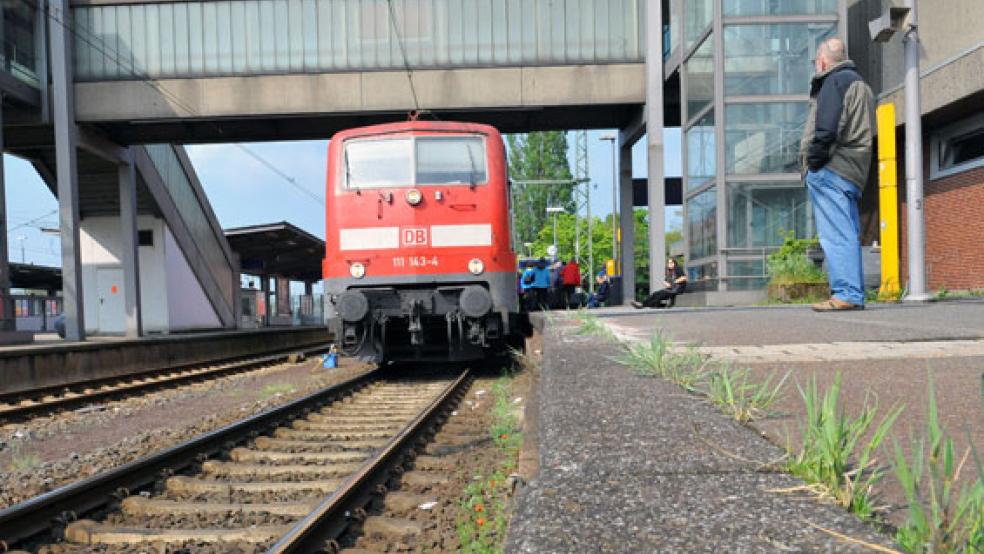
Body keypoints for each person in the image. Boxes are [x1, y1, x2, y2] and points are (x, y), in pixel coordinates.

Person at [800, 37, 874, 312]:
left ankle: (846, 293)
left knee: (836, 234)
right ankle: (852, 293)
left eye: (814, 62)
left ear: (822, 61)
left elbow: (827, 128)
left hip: (832, 169)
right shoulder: (860, 84)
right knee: (847, 233)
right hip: (854, 170)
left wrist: (815, 162)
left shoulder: (834, 82)